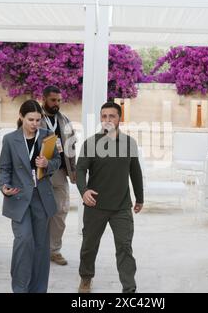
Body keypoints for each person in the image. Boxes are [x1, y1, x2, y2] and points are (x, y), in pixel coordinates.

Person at [76, 101, 144, 293]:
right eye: (104, 116)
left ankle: (129, 288)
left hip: (121, 206)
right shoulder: (91, 143)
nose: (107, 120)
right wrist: (84, 191)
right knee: (89, 246)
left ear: (119, 119)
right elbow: (80, 170)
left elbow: (135, 172)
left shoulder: (129, 143)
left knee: (124, 247)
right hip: (95, 204)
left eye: (111, 116)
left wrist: (139, 198)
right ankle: (86, 278)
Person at [0, 99, 61, 293]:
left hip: (41, 198)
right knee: (24, 240)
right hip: (18, 198)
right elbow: (4, 168)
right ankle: (19, 288)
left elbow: (57, 161)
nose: (35, 124)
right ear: (21, 117)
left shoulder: (48, 136)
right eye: (31, 119)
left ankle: (38, 290)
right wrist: (4, 186)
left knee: (41, 247)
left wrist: (47, 164)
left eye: (38, 120)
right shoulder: (10, 139)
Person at [40, 85, 77, 266]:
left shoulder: (65, 120)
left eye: (59, 100)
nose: (56, 104)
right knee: (40, 212)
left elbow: (71, 147)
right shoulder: (35, 118)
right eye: (53, 100)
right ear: (44, 99)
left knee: (61, 211)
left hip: (61, 173)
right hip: (40, 174)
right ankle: (38, 249)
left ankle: (54, 251)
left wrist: (74, 170)